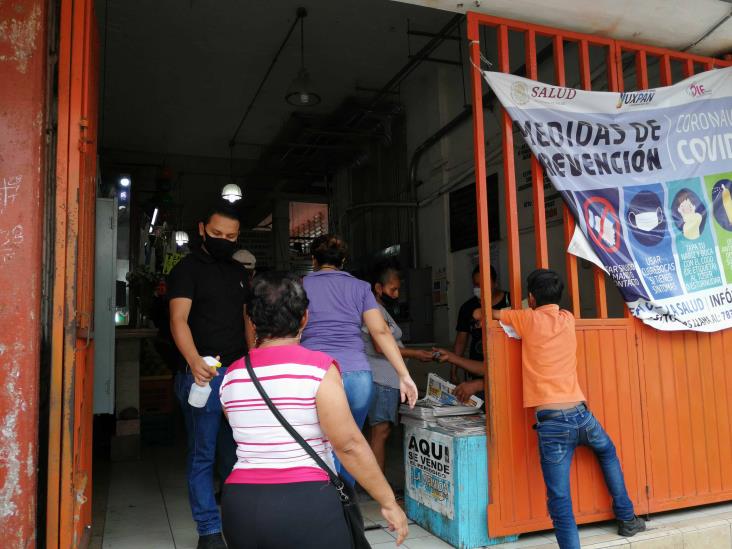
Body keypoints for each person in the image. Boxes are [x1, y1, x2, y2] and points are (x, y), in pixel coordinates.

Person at [219, 273, 409, 548]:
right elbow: (349, 445)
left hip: (241, 505)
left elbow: (245, 431)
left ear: (251, 321)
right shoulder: (318, 369)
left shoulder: (232, 375)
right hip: (306, 501)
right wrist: (388, 501)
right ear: (305, 318)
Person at [492, 269, 645, 549]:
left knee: (559, 498)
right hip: (581, 416)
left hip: (552, 424)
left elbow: (491, 316)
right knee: (607, 451)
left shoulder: (526, 318)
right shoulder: (568, 319)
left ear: (530, 298)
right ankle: (627, 518)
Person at [168, 201, 255, 549]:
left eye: (231, 236)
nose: (223, 240)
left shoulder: (239, 273)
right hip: (201, 377)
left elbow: (247, 321)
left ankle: (239, 522)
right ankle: (208, 531)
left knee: (237, 453)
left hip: (237, 375)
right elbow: (178, 320)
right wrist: (193, 361)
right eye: (217, 233)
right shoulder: (186, 270)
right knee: (202, 453)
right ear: (202, 229)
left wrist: (253, 360)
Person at [300, 235, 418, 486]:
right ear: (343, 260)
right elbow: (381, 332)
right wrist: (404, 376)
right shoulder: (360, 288)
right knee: (350, 445)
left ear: (313, 260)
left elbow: (290, 332)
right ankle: (346, 506)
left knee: (317, 443)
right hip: (358, 377)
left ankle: (324, 505)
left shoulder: (301, 286)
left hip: (316, 376)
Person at [363, 260, 434, 472]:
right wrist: (416, 353)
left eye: (398, 290)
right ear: (378, 288)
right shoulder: (374, 309)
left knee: (380, 431)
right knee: (381, 431)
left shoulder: (381, 310)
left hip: (386, 379)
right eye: (393, 289)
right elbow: (380, 347)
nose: (396, 294)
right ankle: (380, 488)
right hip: (382, 379)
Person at [448, 265, 510, 399]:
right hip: (475, 371)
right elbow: (460, 341)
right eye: (476, 284)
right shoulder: (467, 308)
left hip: (505, 372)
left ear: (495, 283)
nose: (479, 288)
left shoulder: (510, 302)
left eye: (483, 284)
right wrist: (453, 370)